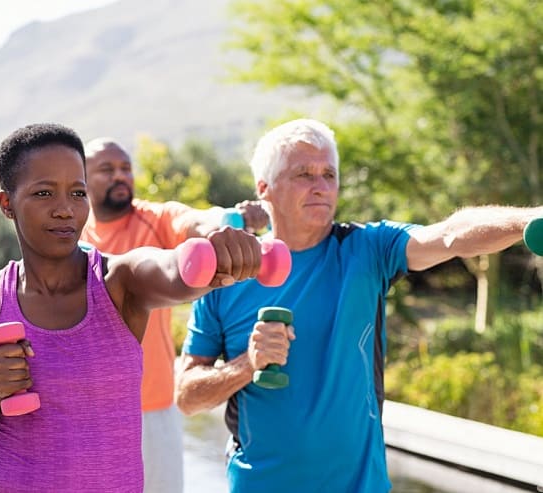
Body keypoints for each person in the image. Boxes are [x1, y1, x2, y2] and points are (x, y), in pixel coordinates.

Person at [174, 118, 543, 492]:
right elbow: (186, 396)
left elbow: (449, 235)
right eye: (304, 174)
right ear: (265, 189)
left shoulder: (368, 248)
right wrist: (246, 364)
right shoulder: (227, 276)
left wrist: (528, 219)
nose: (321, 187)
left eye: (329, 175)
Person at [0, 123, 266, 493]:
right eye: (44, 192)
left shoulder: (119, 281)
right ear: (7, 203)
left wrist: (216, 259)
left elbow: (172, 272)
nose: (64, 210)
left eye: (77, 193)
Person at [79, 137, 268, 492]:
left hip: (151, 408)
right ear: (83, 179)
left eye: (125, 168)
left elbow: (198, 220)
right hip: (85, 411)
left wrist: (231, 220)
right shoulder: (73, 233)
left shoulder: (155, 219)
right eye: (107, 169)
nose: (120, 176)